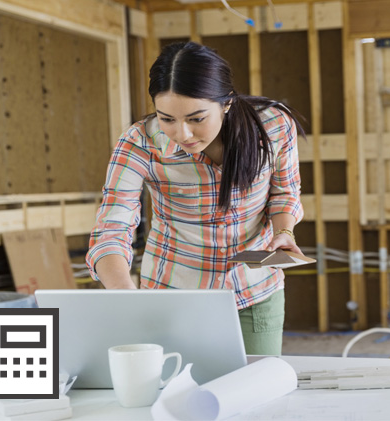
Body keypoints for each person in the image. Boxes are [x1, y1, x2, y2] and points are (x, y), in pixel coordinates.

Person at [86, 41, 305, 356]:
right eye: (167, 119)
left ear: (226, 103)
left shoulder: (272, 126)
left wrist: (284, 232)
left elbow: (284, 191)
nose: (183, 134)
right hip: (170, 295)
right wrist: (125, 295)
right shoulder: (139, 143)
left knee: (257, 390)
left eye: (196, 118)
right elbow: (112, 228)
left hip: (254, 292)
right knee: (171, 393)